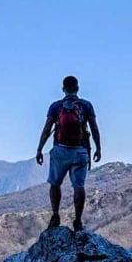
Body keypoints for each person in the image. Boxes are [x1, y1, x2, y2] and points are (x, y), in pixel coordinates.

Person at [35, 75, 102, 231]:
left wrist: (39, 149)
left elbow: (46, 130)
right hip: (80, 151)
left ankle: (55, 215)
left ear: (63, 89)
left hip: (60, 150)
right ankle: (78, 221)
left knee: (55, 184)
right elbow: (94, 128)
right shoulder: (86, 105)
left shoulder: (56, 106)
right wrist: (98, 148)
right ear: (77, 89)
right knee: (79, 186)